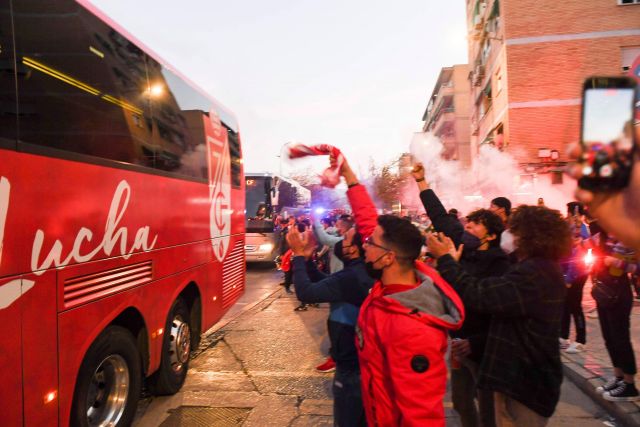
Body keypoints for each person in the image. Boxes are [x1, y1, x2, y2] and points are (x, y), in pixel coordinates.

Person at [334, 154, 465, 426]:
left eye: (370, 243)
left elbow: (422, 416)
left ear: (388, 258)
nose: (363, 244)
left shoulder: (413, 330)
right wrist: (348, 174)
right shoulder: (394, 281)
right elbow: (370, 221)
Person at [427, 205, 572, 426]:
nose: (508, 235)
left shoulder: (535, 273)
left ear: (530, 237)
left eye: (514, 230)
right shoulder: (534, 268)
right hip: (514, 377)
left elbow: (481, 294)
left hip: (524, 383)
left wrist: (446, 260)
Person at [412, 163, 509, 427]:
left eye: (475, 225)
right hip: (458, 343)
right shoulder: (465, 246)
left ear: (490, 234)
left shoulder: (500, 265)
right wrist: (422, 180)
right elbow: (440, 217)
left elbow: (498, 312)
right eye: (469, 223)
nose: (468, 228)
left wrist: (475, 343)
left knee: (489, 409)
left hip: (484, 350)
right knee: (461, 403)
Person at [288, 226, 374, 426]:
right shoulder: (357, 273)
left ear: (353, 249)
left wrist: (299, 257)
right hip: (360, 361)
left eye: (344, 238)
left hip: (351, 367)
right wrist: (308, 261)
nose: (339, 242)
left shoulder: (351, 277)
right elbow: (329, 284)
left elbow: (306, 293)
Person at [591, 233, 639, 401]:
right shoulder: (607, 233)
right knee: (609, 337)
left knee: (620, 338)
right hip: (605, 288)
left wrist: (617, 262)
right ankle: (618, 377)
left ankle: (629, 384)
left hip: (619, 291)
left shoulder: (632, 235)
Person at [559, 202, 592, 354]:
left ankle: (580, 340)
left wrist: (569, 279)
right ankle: (563, 336)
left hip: (577, 274)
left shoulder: (581, 229)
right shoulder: (568, 228)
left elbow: (576, 256)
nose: (568, 216)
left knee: (575, 307)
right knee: (565, 305)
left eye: (570, 213)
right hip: (567, 272)